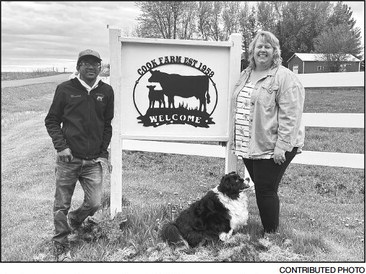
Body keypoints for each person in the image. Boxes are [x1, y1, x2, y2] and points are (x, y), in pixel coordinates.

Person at [230, 31, 305, 236]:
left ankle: (271, 235)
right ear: (252, 50)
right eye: (259, 46)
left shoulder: (285, 77)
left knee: (265, 189)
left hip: (273, 144)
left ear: (275, 52)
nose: (262, 50)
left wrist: (282, 145)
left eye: (267, 47)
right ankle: (269, 230)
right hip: (249, 142)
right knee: (263, 186)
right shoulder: (246, 73)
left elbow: (291, 115)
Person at [45, 49, 114, 261]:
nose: (91, 67)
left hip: (93, 160)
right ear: (78, 67)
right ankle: (60, 241)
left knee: (94, 203)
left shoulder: (107, 91)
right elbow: (52, 121)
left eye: (95, 64)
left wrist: (103, 153)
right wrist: (61, 147)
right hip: (69, 159)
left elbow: (107, 125)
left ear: (100, 67)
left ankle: (74, 220)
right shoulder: (65, 89)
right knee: (61, 203)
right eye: (86, 63)